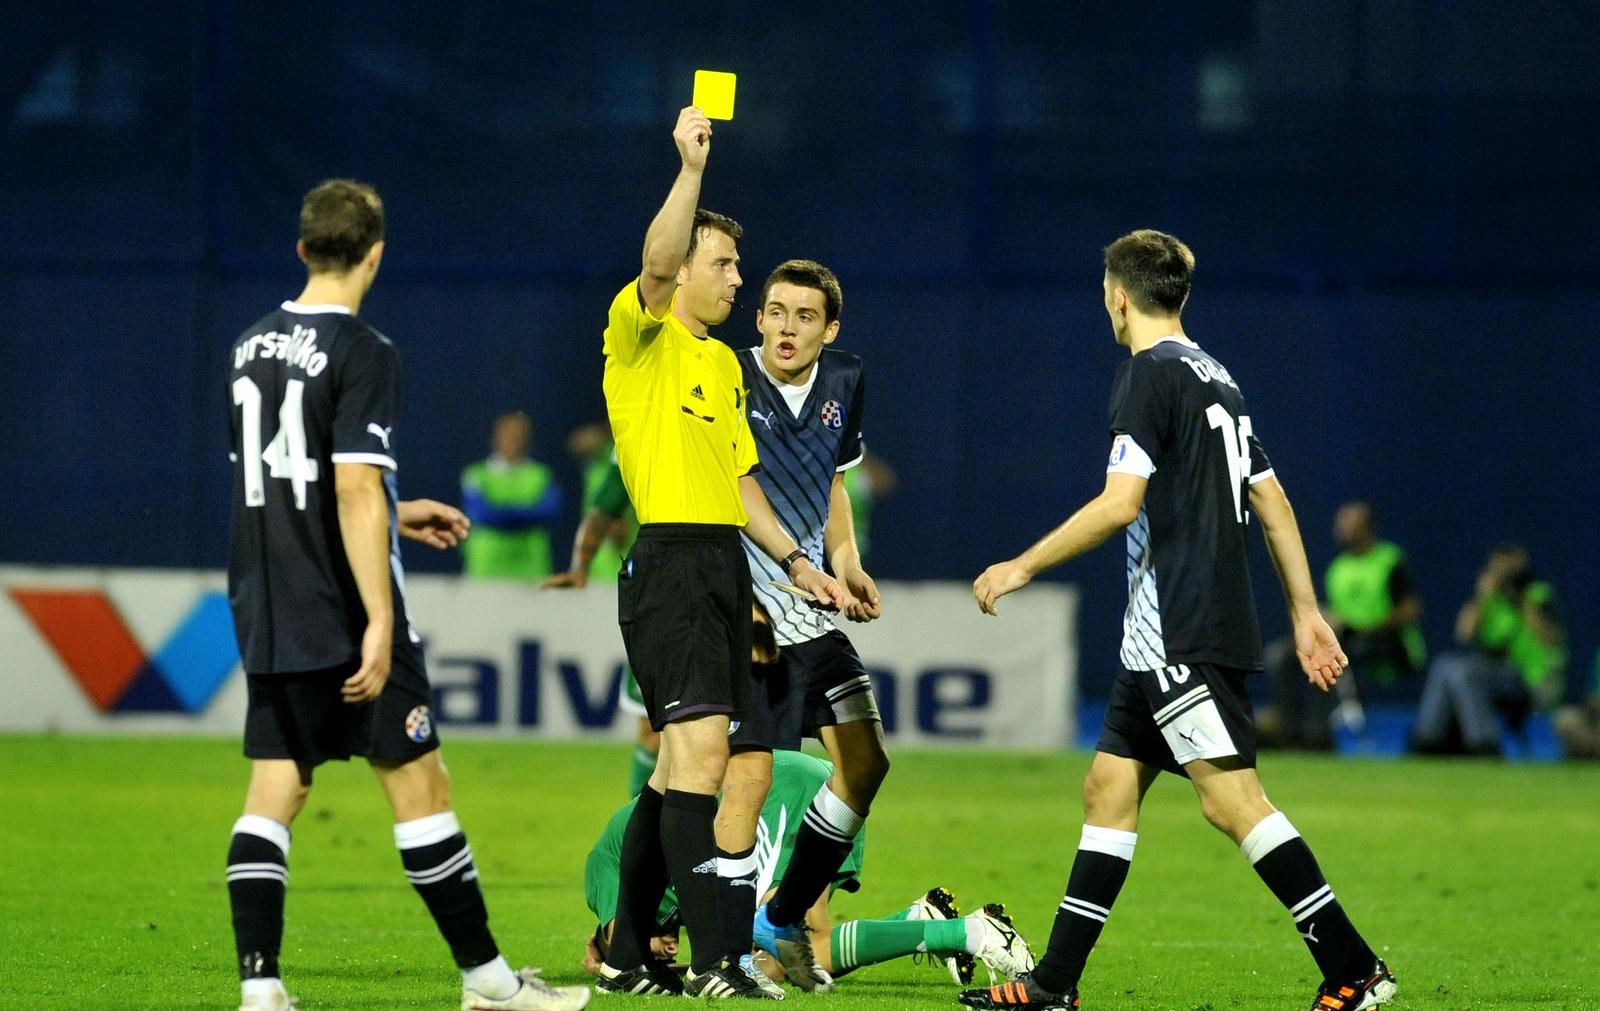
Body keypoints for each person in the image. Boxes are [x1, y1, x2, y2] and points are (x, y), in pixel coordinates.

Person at [964, 230, 1396, 1011]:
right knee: (1107, 788)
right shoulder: (1217, 376)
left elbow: (1120, 503)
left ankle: (1355, 968)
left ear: (1118, 296)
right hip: (1164, 632)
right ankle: (1055, 985)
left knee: (1234, 801)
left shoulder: (1146, 376)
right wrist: (1304, 611)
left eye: (1105, 288)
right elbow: (1272, 500)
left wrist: (1021, 565)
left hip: (1179, 627)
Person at [223, 179, 588, 1011]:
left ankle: (261, 989)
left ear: (304, 248)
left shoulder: (247, 346)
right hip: (345, 603)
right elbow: (350, 489)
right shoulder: (365, 350)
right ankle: (491, 984)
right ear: (376, 253)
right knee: (420, 784)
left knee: (276, 786)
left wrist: (399, 505)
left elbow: (293, 480)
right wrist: (381, 617)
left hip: (267, 600)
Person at [595, 106, 850, 1000]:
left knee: (674, 772)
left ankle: (629, 958)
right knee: (704, 758)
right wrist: (691, 168)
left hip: (721, 567)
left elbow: (742, 485)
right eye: (728, 264)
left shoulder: (723, 367)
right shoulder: (642, 338)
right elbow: (659, 263)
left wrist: (797, 562)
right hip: (666, 563)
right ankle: (713, 962)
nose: (740, 277)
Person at [723, 259, 891, 994]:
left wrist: (846, 559)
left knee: (867, 762)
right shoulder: (726, 376)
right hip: (748, 608)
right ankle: (722, 944)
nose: (787, 327)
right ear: (757, 317)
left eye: (804, 316)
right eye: (776, 311)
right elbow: (732, 484)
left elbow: (833, 482)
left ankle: (781, 915)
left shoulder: (845, 380)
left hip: (814, 601)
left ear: (831, 329)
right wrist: (791, 566)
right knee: (749, 783)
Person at [581, 751, 1034, 991]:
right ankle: (916, 922)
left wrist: (614, 957)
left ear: (601, 935)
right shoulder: (659, 881)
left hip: (779, 796)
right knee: (781, 963)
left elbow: (627, 938)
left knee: (796, 946)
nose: (661, 949)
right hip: (799, 783)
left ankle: (970, 933)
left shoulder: (603, 870)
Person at [542, 448, 659, 794]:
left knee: (726, 736)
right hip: (657, 596)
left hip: (726, 589)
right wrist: (580, 566)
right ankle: (641, 835)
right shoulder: (637, 435)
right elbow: (607, 504)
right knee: (653, 730)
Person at [1264, 502, 1425, 750]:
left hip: (1388, 643)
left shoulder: (1390, 560)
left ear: (1367, 528)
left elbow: (1410, 610)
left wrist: (1367, 626)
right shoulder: (1337, 569)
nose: (1341, 529)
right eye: (1341, 523)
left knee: (1331, 659)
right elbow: (1338, 612)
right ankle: (1291, 735)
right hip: (1346, 640)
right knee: (1282, 656)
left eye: (1350, 524)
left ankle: (1320, 735)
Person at [1410, 544, 1566, 756]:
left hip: (1530, 679)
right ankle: (1427, 740)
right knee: (1444, 664)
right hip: (1493, 674)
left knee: (1465, 673)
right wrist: (1482, 596)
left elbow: (1549, 637)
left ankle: (1484, 744)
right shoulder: (1490, 600)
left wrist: (1519, 598)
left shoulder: (1538, 595)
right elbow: (1463, 634)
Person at [459, 411, 563, 581]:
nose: (513, 438)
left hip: (532, 571)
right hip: (486, 570)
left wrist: (500, 513)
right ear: (496, 436)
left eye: (519, 434)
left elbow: (549, 512)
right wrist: (527, 514)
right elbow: (480, 514)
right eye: (508, 433)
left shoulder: (542, 475)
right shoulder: (476, 474)